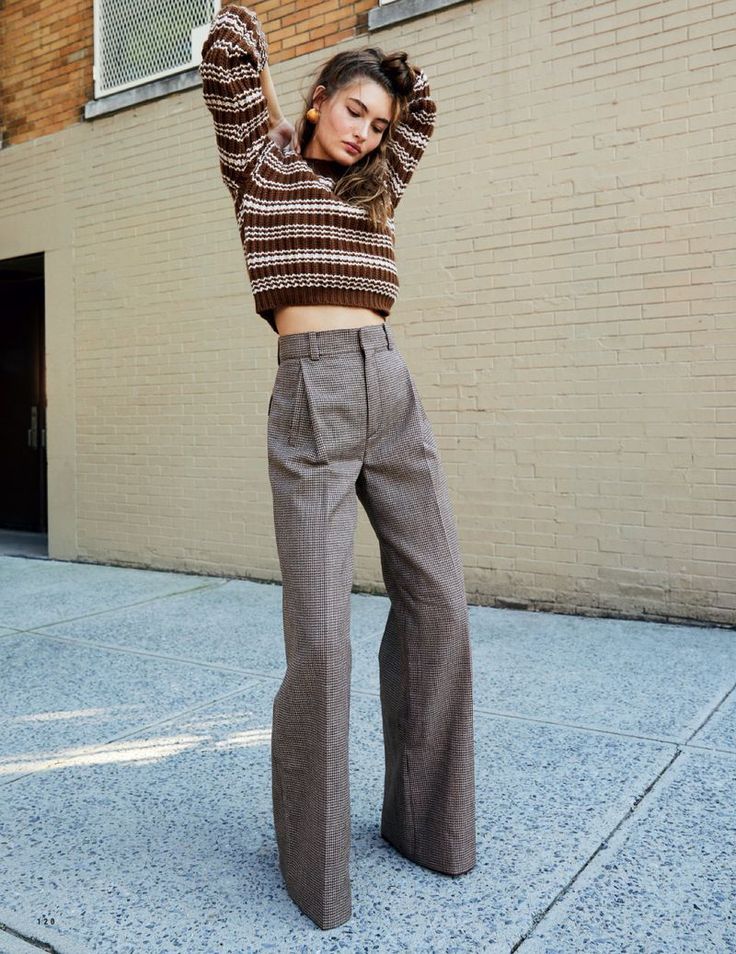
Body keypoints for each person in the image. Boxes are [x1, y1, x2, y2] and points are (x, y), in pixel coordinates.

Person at [200, 4, 476, 931]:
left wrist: (384, 86)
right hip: (311, 392)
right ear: (317, 103)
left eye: (375, 123)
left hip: (393, 387)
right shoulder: (259, 166)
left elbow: (424, 104)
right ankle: (315, 869)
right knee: (322, 641)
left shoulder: (378, 186)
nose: (366, 133)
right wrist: (278, 107)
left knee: (439, 603)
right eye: (354, 110)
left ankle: (427, 828)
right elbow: (229, 48)